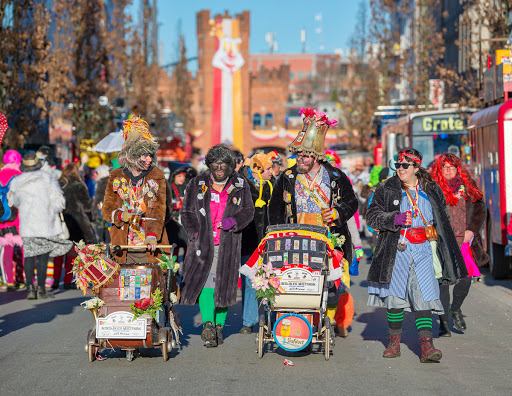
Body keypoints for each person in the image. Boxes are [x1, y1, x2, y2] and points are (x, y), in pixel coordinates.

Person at [366, 148, 467, 363]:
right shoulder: (386, 188)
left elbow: (443, 221)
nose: (400, 169)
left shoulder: (431, 189)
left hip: (424, 249)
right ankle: (393, 343)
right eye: (398, 165)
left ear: (416, 167)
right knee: (395, 297)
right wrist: (395, 218)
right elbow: (372, 217)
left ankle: (427, 346)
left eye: (405, 165)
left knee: (425, 297)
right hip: (397, 249)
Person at [268, 108, 358, 327]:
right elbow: (275, 211)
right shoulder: (287, 177)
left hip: (328, 238)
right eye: (298, 154)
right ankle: (298, 323)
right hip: (294, 239)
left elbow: (352, 203)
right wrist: (274, 239)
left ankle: (324, 320)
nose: (301, 158)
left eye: (305, 155)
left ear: (316, 156)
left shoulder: (336, 176)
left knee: (330, 286)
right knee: (297, 284)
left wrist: (337, 212)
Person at [180, 145, 254, 347]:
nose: (219, 168)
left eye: (223, 164)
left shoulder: (240, 184)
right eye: (215, 164)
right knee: (206, 283)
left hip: (228, 242)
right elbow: (186, 213)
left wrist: (233, 221)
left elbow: (249, 210)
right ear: (209, 164)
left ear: (230, 165)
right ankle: (208, 325)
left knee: (224, 286)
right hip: (203, 243)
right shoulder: (197, 183)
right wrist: (195, 232)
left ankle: (219, 327)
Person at [431, 153, 489, 336]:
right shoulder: (432, 188)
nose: (448, 170)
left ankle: (455, 309)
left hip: (463, 240)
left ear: (458, 169)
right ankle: (444, 325)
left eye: (451, 167)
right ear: (440, 170)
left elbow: (480, 210)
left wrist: (472, 230)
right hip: (442, 241)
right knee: (443, 283)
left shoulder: (468, 186)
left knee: (465, 279)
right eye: (444, 167)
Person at [101, 116, 170, 264]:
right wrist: (121, 215)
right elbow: (106, 210)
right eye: (145, 155)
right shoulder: (116, 176)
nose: (149, 160)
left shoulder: (157, 176)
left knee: (154, 284)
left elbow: (159, 210)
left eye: (151, 155)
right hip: (122, 247)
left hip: (150, 248)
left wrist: (152, 235)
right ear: (132, 155)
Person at [9, 152, 72, 299]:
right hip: (44, 224)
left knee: (29, 257)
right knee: (43, 258)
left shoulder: (17, 182)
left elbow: (15, 202)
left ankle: (30, 288)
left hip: (27, 224)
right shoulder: (47, 179)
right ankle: (42, 289)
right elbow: (57, 204)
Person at [239, 151, 277, 334]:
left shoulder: (273, 185)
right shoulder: (243, 186)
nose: (272, 171)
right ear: (258, 169)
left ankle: (273, 318)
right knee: (249, 281)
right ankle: (249, 321)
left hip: (270, 242)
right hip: (249, 241)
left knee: (272, 279)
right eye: (268, 168)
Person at [52, 163, 96, 290]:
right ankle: (67, 280)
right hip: (76, 221)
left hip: (60, 221)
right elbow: (87, 205)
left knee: (59, 252)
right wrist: (91, 219)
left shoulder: (58, 184)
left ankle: (55, 280)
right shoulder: (79, 185)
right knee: (72, 252)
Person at [0, 150, 24, 291]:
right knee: (22, 248)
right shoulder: (20, 176)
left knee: (7, 248)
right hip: (18, 217)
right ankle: (22, 278)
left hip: (2, 217)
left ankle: (8, 280)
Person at [91, 164, 111, 244]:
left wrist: (96, 203)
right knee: (106, 235)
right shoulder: (106, 181)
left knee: (101, 237)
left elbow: (101, 198)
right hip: (104, 211)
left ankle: (103, 253)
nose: (94, 174)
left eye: (96, 172)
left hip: (101, 211)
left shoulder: (103, 182)